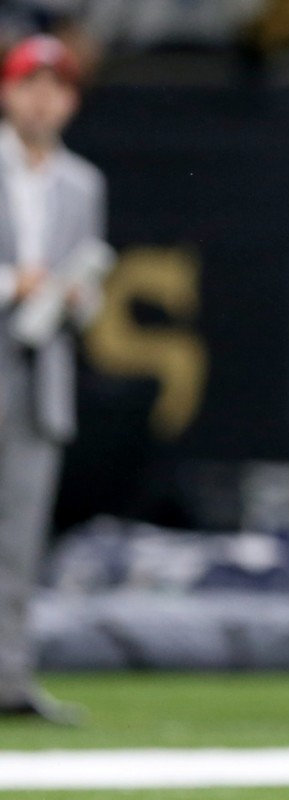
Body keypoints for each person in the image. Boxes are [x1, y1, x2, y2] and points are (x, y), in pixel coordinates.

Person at [0, 34, 108, 724]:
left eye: (56, 86)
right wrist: (16, 283)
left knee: (19, 538)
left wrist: (73, 295)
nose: (43, 98)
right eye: (30, 83)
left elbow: (92, 296)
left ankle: (9, 678)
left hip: (41, 377)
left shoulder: (83, 182)